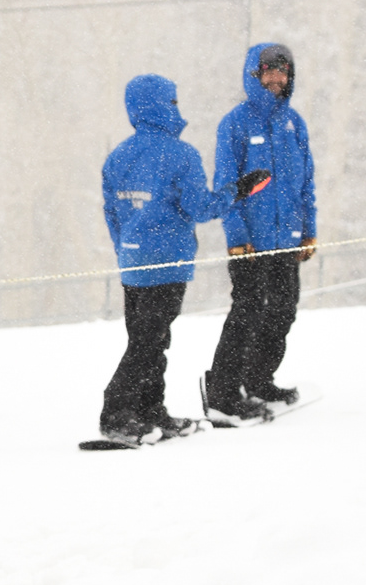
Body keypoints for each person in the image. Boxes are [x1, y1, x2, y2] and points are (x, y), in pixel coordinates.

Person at [99, 75, 271, 445]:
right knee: (148, 343)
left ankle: (149, 410)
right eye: (173, 102)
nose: (177, 109)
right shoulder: (181, 154)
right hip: (167, 262)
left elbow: (112, 212)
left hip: (132, 263)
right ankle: (116, 412)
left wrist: (125, 250)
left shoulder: (118, 156)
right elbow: (200, 208)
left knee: (148, 339)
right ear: (162, 106)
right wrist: (237, 190)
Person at [203, 42, 317, 426]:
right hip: (250, 244)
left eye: (282, 72)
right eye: (268, 71)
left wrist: (309, 231)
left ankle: (258, 380)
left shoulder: (294, 124)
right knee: (247, 314)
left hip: (287, 241)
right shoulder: (234, 123)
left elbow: (306, 184)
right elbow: (225, 185)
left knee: (283, 312)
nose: (275, 78)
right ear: (254, 74)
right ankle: (222, 392)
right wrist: (236, 236)